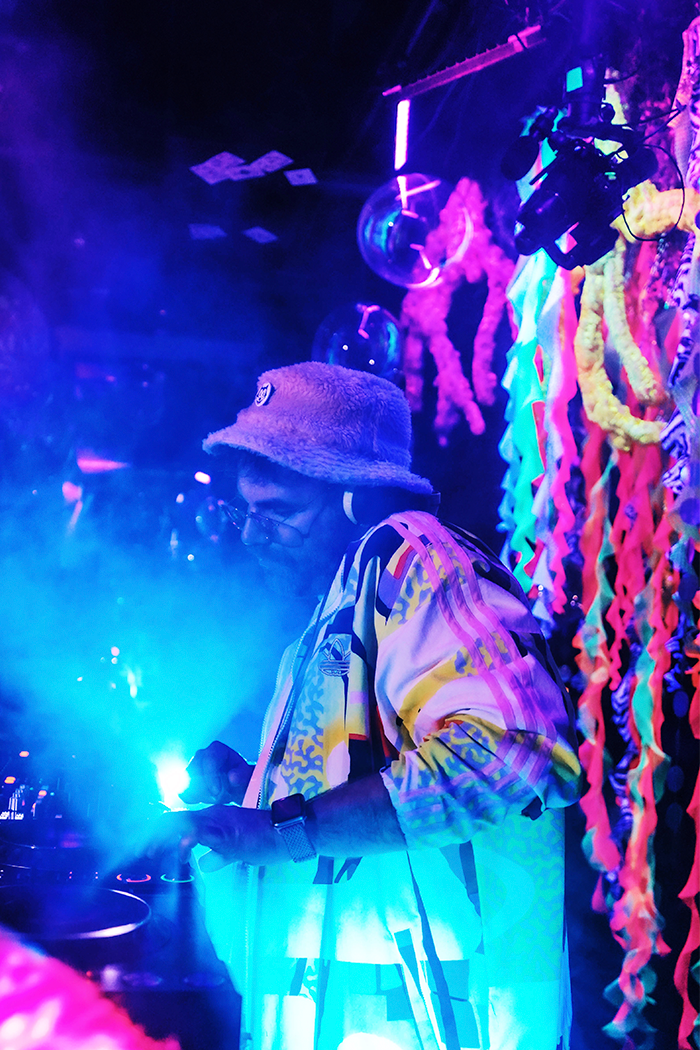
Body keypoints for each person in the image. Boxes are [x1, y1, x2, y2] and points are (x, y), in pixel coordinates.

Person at [169, 361, 582, 1050]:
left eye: (278, 512)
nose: (250, 535)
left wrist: (281, 829)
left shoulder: (416, 559)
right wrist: (254, 788)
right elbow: (369, 788)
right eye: (246, 511)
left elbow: (514, 751)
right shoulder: (347, 597)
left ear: (357, 500)